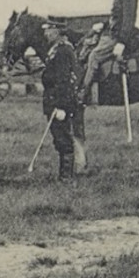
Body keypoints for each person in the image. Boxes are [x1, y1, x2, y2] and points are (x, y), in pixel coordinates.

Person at [81, 0, 139, 101]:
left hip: (117, 38)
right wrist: (103, 24)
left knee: (94, 55)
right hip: (111, 33)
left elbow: (128, 20)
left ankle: (83, 92)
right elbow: (115, 18)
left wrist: (122, 42)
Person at [40, 18, 82, 181]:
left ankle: (66, 176)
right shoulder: (57, 49)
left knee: (63, 137)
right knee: (59, 136)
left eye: (48, 29)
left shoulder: (63, 51)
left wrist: (61, 107)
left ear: (57, 31)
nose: (45, 33)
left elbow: (64, 80)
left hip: (60, 102)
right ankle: (64, 174)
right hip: (54, 99)